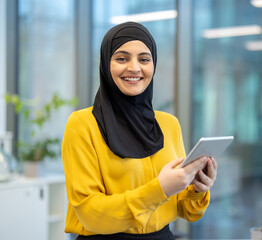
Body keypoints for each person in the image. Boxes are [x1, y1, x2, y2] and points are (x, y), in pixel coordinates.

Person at [61, 21, 217, 240]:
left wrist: (198, 188)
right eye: (122, 58)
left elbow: (186, 211)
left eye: (144, 59)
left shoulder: (169, 124)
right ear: (106, 64)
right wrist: (159, 189)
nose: (134, 67)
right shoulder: (82, 124)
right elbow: (89, 213)